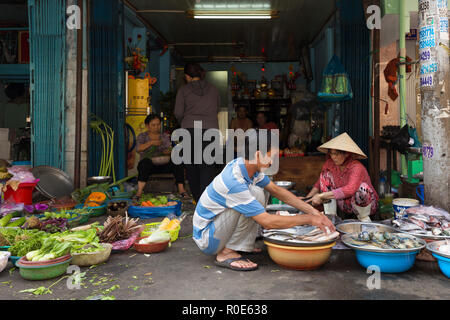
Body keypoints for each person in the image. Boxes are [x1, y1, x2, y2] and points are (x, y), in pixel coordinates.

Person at [193, 130, 335, 271]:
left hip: (218, 228)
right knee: (250, 199)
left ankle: (240, 245)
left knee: (257, 192)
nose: (272, 161)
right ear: (258, 155)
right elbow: (267, 221)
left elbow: (276, 190)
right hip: (207, 238)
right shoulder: (234, 181)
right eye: (270, 156)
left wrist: (314, 212)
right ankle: (225, 253)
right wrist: (309, 219)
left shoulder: (248, 167)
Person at [305, 132, 378, 222]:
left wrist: (322, 196)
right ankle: (331, 216)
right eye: (331, 154)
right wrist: (306, 200)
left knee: (362, 188)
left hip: (366, 206)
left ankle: (364, 219)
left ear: (346, 154)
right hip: (345, 204)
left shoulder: (356, 167)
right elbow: (319, 183)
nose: (333, 157)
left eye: (336, 154)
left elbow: (350, 189)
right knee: (325, 175)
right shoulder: (330, 164)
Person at [174, 63, 221, 203]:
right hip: (210, 130)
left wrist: (186, 120)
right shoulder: (214, 89)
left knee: (191, 167)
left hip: (189, 131)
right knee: (207, 167)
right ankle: (207, 202)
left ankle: (198, 200)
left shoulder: (183, 90)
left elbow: (178, 112)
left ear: (187, 76)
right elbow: (217, 108)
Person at [135, 114, 190, 199]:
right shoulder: (142, 136)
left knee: (177, 161)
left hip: (164, 164)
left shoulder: (164, 136)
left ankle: (182, 190)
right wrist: (151, 143)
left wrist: (168, 151)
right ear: (147, 126)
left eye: (158, 124)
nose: (156, 127)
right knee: (144, 163)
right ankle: (139, 192)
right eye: (153, 125)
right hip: (149, 167)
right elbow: (138, 149)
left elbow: (169, 149)